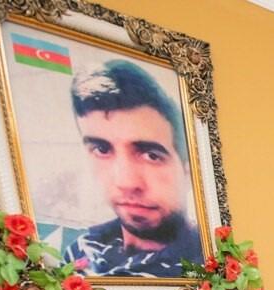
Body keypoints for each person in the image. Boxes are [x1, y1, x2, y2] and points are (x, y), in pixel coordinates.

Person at [63, 60, 203, 277]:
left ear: (188, 171)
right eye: (102, 149)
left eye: (151, 155)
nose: (126, 183)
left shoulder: (205, 267)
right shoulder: (80, 250)